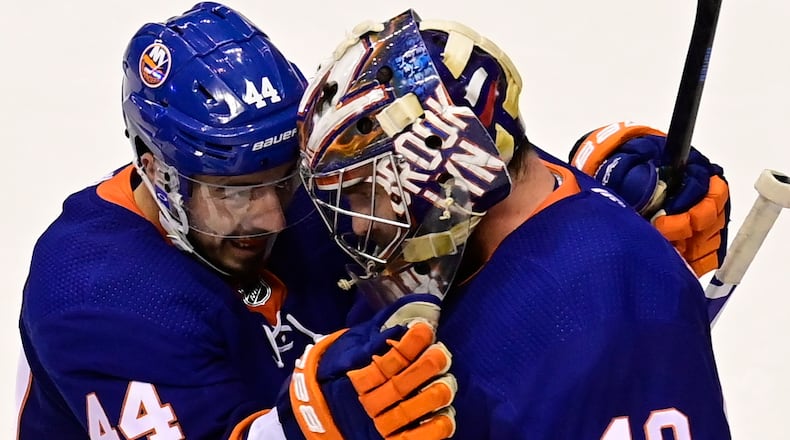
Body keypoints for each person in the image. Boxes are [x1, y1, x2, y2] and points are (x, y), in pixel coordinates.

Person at [17, 3, 455, 439]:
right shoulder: (93, 296)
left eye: (285, 178)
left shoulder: (290, 195)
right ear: (156, 174)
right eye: (233, 192)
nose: (273, 217)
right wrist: (316, 425)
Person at [297, 9, 732, 439]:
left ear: (434, 166)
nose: (355, 225)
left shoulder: (591, 327)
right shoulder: (493, 200)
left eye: (361, 192)